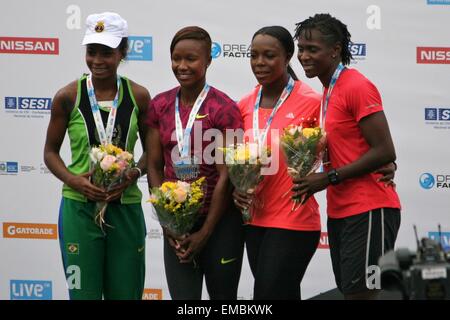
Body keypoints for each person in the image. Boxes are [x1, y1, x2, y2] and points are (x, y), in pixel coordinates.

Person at [292, 13, 401, 300]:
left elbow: (385, 150)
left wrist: (328, 178)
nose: (304, 56)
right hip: (342, 209)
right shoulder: (329, 90)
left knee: (362, 294)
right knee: (351, 291)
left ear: (335, 50)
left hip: (370, 207)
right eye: (301, 49)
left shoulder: (356, 85)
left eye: (312, 49)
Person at [43, 12, 150, 300]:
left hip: (124, 205)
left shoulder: (138, 96)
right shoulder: (67, 96)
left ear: (122, 52)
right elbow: (50, 153)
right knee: (83, 294)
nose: (98, 60)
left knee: (126, 294)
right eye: (92, 52)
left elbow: (153, 153)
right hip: (79, 208)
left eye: (107, 52)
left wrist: (133, 175)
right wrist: (73, 180)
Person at [145, 26, 244, 300]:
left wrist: (206, 231)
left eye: (191, 59)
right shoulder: (159, 105)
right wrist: (167, 222)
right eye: (176, 58)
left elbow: (228, 175)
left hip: (221, 224)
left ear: (208, 60)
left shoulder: (225, 108)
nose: (182, 66)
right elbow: (153, 165)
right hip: (177, 224)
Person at [232, 26, 322, 300]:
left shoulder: (313, 102)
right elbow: (237, 160)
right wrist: (237, 188)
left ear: (288, 56)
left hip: (294, 218)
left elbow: (342, 148)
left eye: (269, 55)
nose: (259, 63)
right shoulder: (244, 105)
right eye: (254, 55)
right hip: (254, 220)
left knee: (267, 295)